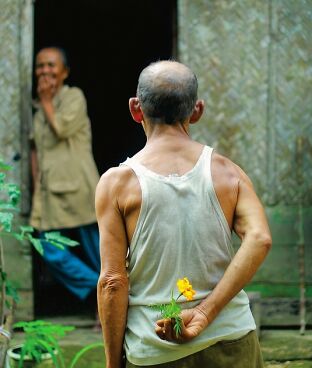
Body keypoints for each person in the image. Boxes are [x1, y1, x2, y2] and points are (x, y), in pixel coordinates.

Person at [95, 61, 272, 367]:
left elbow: (112, 281)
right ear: (197, 111)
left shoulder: (117, 184)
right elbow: (260, 238)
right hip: (232, 343)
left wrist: (113, 362)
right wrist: (205, 313)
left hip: (155, 350)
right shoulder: (228, 174)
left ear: (135, 109)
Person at [30, 46, 101, 303]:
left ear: (65, 72)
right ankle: (101, 290)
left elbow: (62, 129)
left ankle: (111, 303)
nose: (45, 71)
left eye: (51, 65)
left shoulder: (74, 97)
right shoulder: (38, 108)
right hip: (51, 192)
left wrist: (48, 102)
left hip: (78, 187)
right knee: (49, 248)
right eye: (40, 66)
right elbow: (34, 150)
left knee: (98, 252)